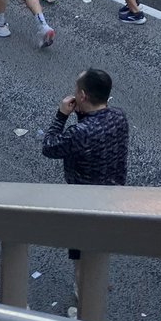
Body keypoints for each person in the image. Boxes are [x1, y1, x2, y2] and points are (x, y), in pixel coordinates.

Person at [41, 68, 129, 294]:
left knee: (81, 257)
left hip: (84, 203)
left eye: (76, 90)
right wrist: (81, 112)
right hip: (113, 198)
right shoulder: (119, 117)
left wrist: (61, 115)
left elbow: (49, 147)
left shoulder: (80, 133)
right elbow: (95, 134)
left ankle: (85, 300)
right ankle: (95, 283)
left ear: (82, 96)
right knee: (99, 249)